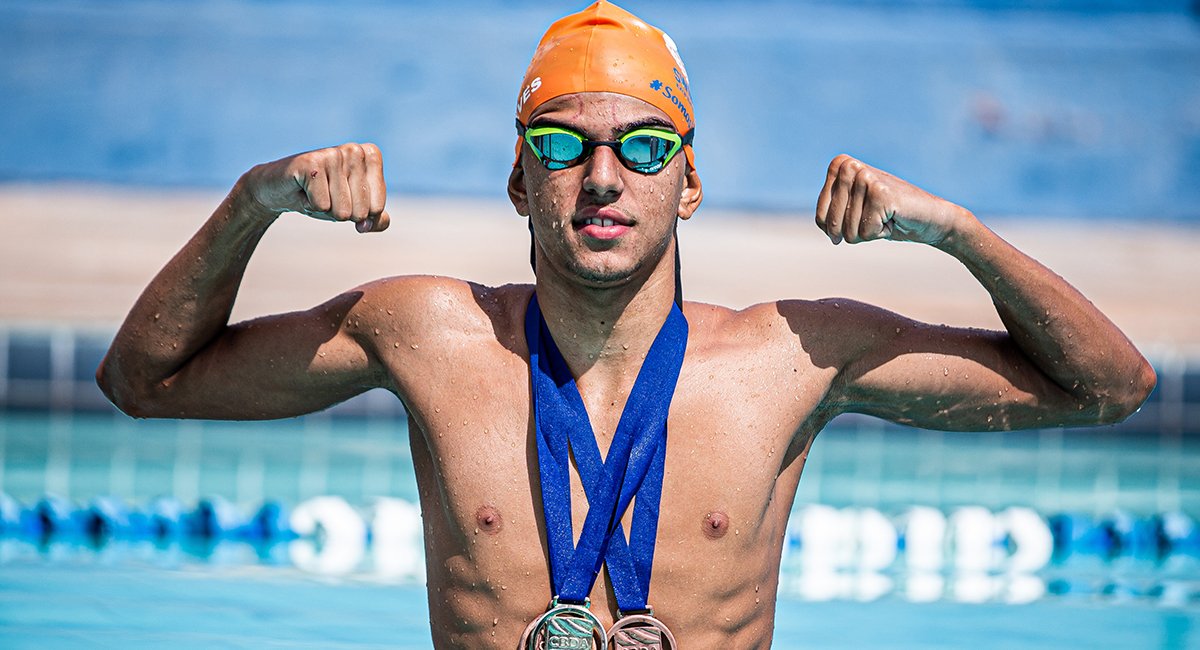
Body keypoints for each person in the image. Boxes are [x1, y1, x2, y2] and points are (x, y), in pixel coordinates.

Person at [97, 2, 1155, 648]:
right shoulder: (426, 333)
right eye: (563, 146)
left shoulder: (790, 355)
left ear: (689, 184)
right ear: (519, 178)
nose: (603, 179)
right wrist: (253, 202)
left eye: (645, 149)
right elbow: (143, 383)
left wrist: (958, 233)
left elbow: (1111, 388)